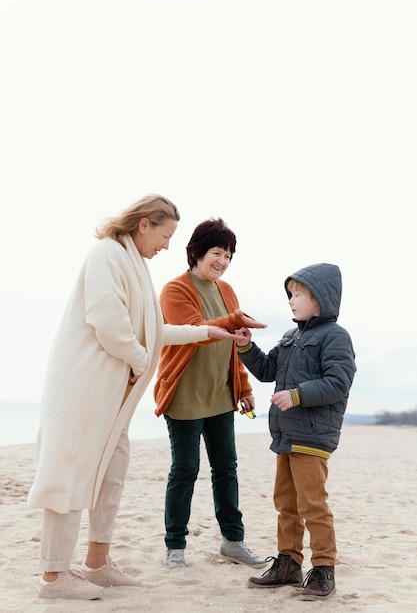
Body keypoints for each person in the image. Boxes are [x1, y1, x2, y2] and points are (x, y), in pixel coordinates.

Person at [27, 195, 247, 601]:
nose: (166, 246)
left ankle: (97, 562)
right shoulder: (107, 255)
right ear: (144, 224)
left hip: (115, 400)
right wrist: (139, 360)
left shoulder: (136, 265)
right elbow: (108, 322)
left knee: (111, 476)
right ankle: (54, 576)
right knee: (70, 474)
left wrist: (208, 332)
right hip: (85, 390)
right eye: (165, 235)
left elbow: (150, 329)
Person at [235, 263, 356, 600]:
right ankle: (288, 563)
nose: (291, 300)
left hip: (313, 437)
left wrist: (297, 395)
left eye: (298, 294)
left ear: (320, 298)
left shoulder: (335, 336)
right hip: (285, 436)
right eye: (290, 294)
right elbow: (267, 369)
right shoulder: (291, 336)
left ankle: (323, 568)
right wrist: (247, 347)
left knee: (312, 504)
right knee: (286, 503)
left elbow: (338, 383)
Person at [153, 217, 268, 569]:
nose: (222, 261)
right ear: (197, 252)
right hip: (185, 396)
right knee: (185, 470)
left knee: (226, 469)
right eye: (217, 252)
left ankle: (233, 541)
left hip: (221, 396)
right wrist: (233, 320)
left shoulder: (227, 291)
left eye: (228, 255)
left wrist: (244, 387)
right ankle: (175, 546)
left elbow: (234, 345)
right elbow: (193, 330)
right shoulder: (175, 289)